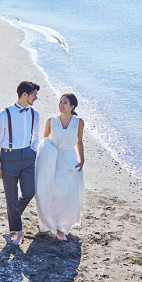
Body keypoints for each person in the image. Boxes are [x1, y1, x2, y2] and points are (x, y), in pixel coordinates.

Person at [0, 81, 41, 246]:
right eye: (34, 94)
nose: (36, 98)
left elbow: (36, 136)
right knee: (11, 196)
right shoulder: (4, 115)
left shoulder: (35, 114)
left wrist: (33, 151)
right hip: (9, 157)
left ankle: (12, 213)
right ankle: (19, 232)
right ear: (25, 95)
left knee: (29, 191)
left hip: (27, 156)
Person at [35, 93, 85, 241]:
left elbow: (79, 142)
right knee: (53, 193)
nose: (61, 105)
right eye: (60, 102)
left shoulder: (79, 122)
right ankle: (54, 225)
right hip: (53, 161)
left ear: (72, 106)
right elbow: (45, 142)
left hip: (70, 161)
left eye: (65, 102)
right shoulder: (52, 121)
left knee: (68, 195)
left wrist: (82, 160)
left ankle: (62, 227)